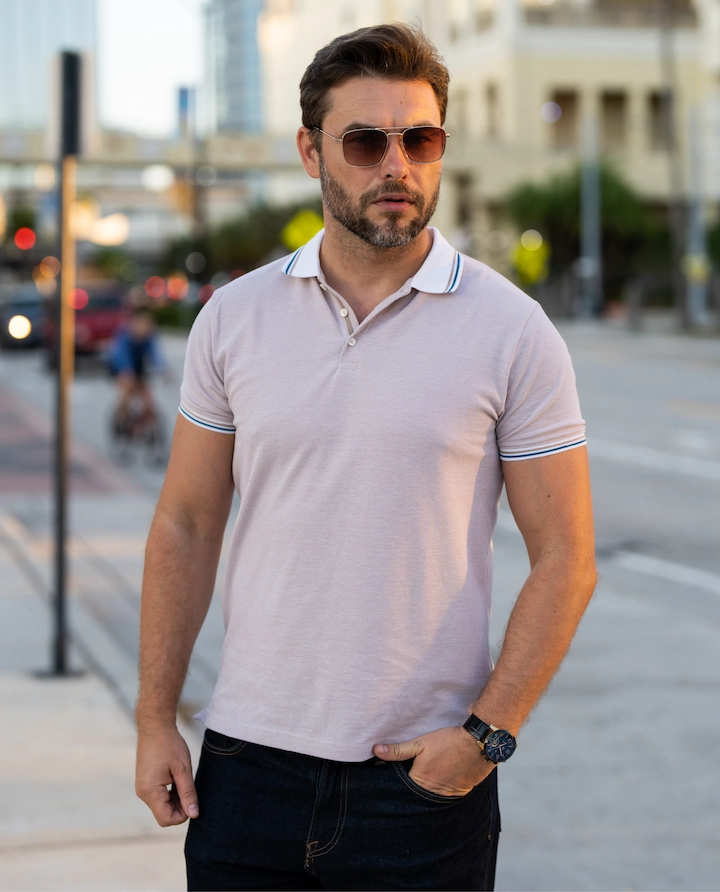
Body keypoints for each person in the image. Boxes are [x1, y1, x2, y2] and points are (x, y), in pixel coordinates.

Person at [135, 23, 596, 892]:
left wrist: (486, 737)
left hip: (422, 787)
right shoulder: (234, 319)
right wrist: (154, 716)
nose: (397, 165)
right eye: (365, 142)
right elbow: (187, 524)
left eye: (420, 140)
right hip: (246, 772)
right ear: (311, 151)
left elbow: (567, 557)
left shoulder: (513, 330)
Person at [107, 307, 166, 430]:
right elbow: (120, 355)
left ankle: (146, 423)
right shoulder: (125, 335)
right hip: (120, 367)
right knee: (127, 389)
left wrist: (164, 371)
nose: (146, 327)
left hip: (139, 367)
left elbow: (156, 355)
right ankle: (121, 416)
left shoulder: (149, 337)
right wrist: (126, 371)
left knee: (148, 397)